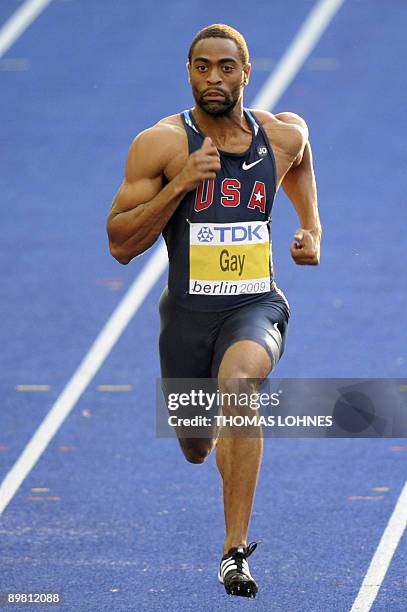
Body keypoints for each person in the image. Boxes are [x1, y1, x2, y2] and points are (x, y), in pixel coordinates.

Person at [106, 23, 321, 599]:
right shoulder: (160, 145)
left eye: (226, 67)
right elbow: (121, 244)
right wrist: (180, 184)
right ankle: (216, 437)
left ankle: (234, 551)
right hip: (187, 319)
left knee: (240, 384)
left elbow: (299, 160)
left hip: (255, 305)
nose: (214, 78)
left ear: (246, 73)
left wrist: (311, 228)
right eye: (202, 67)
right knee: (197, 445)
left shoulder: (280, 134)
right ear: (190, 72)